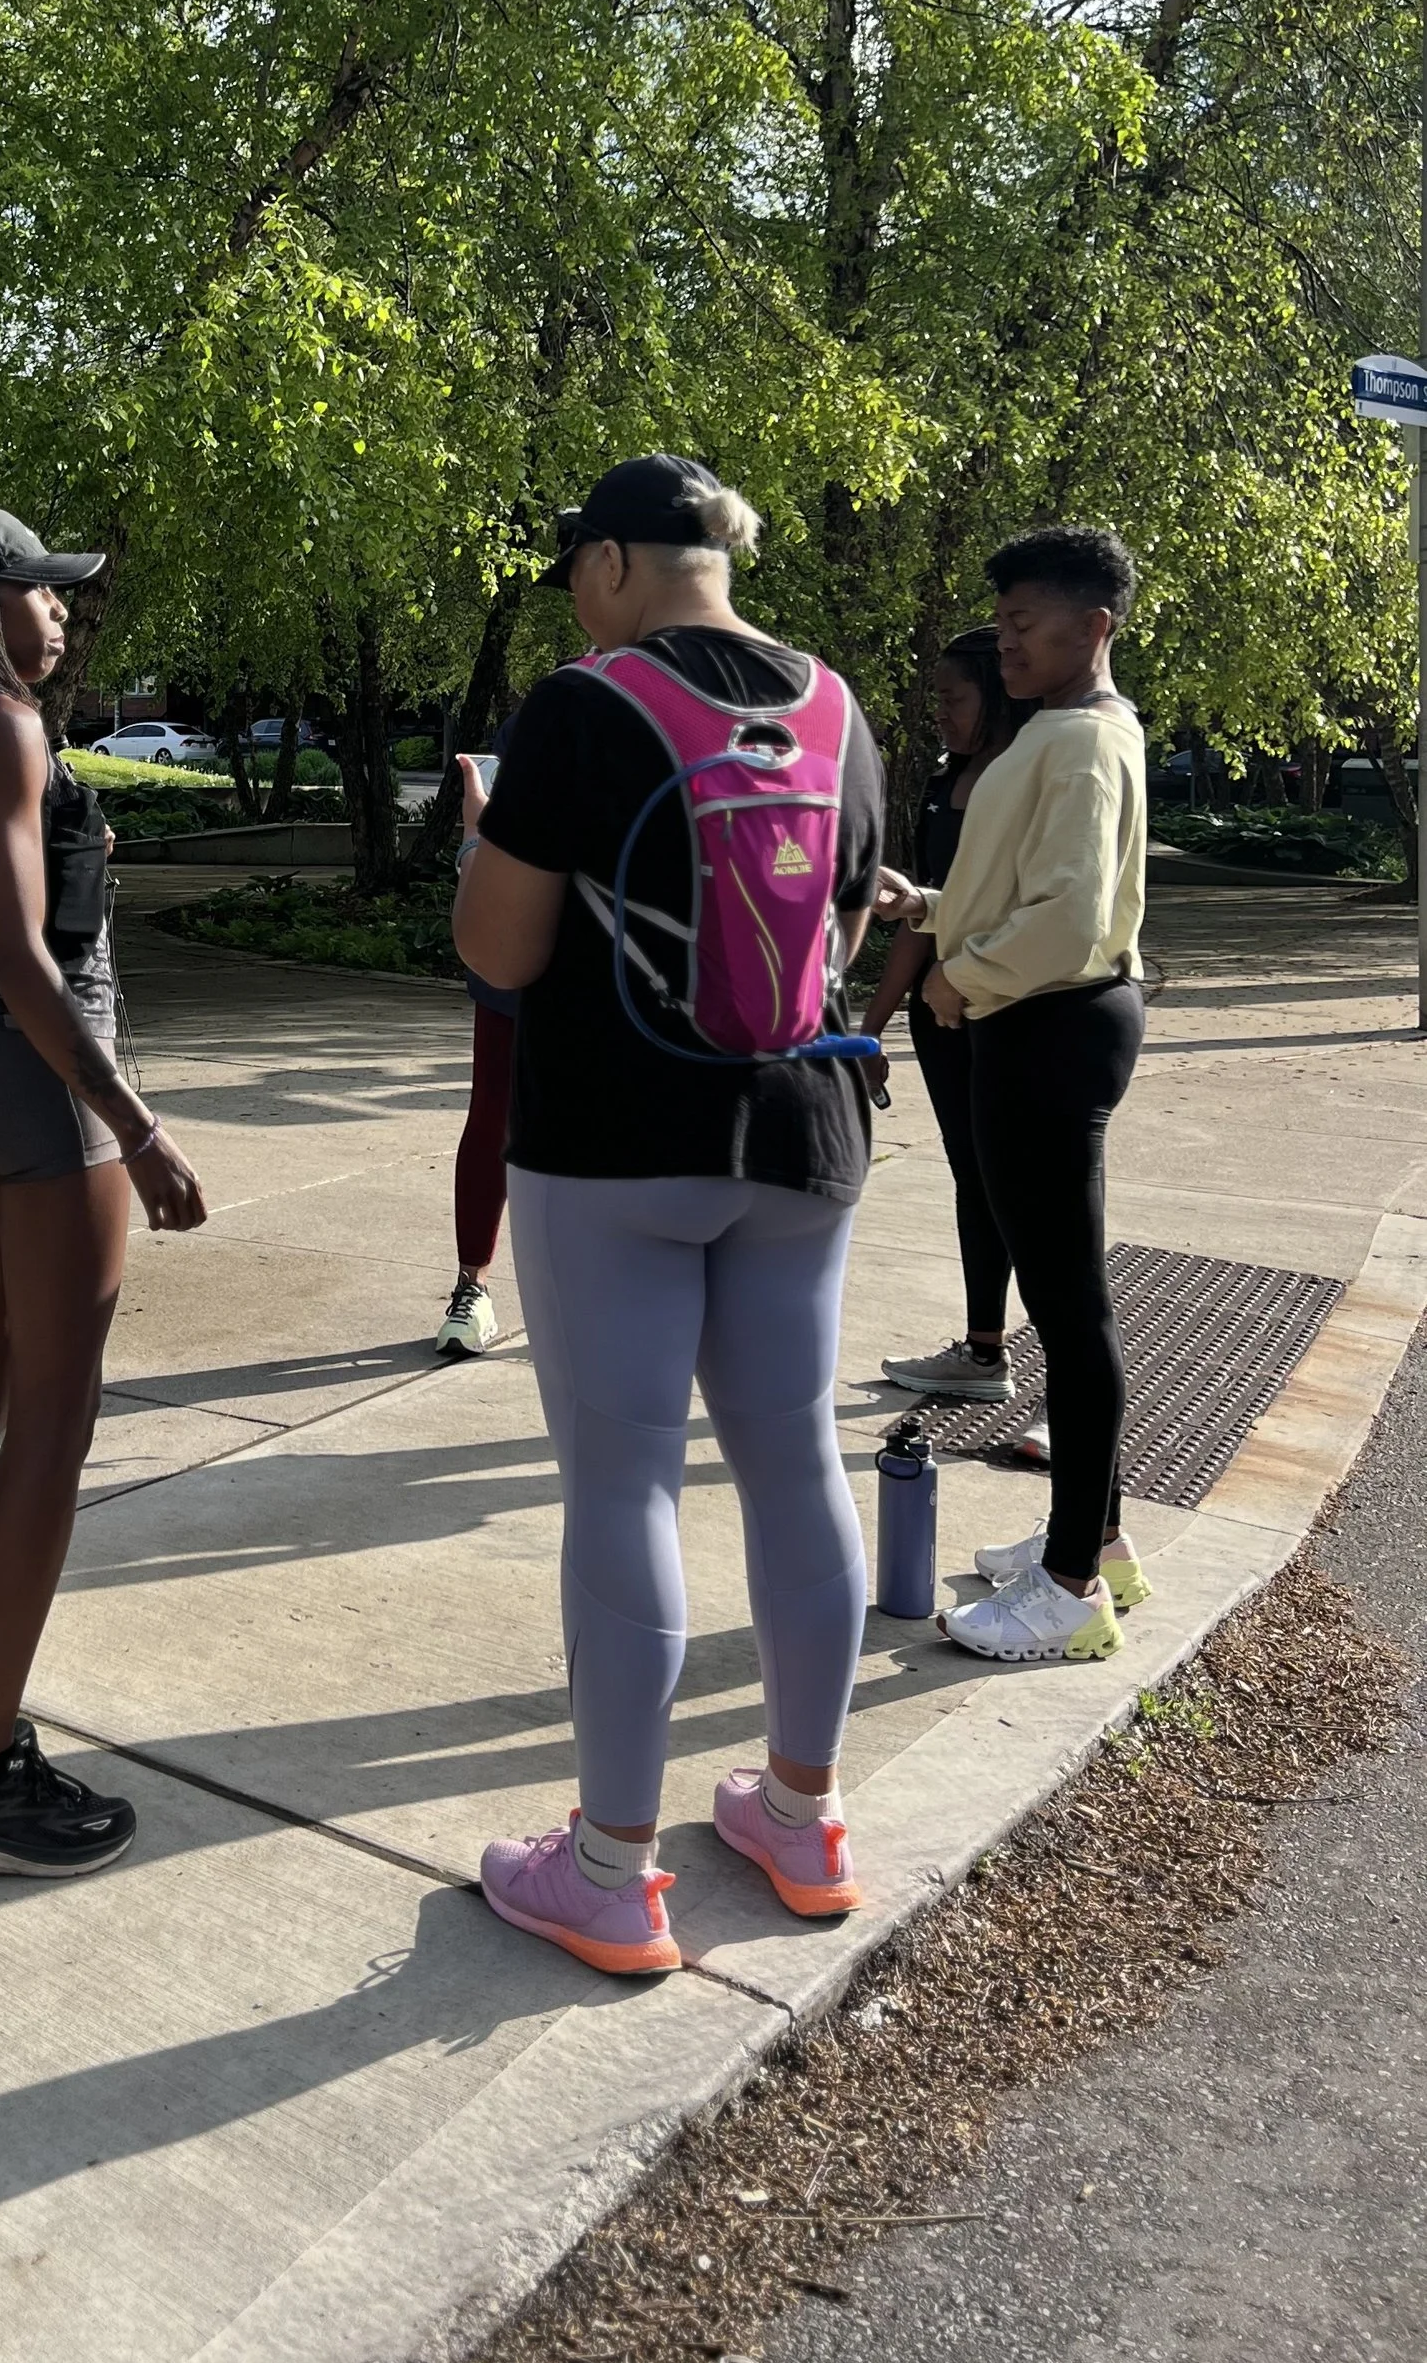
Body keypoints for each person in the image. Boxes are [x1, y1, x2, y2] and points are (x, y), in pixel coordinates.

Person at [454, 455, 885, 1977]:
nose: (575, 587)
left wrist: (482, 845)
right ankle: (803, 1815)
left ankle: (613, 1870)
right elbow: (834, 929)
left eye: (581, 560)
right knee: (795, 1454)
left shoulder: (584, 706)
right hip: (802, 1130)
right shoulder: (840, 707)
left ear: (627, 563)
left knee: (625, 1482)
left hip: (614, 1145)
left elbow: (498, 954)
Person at [0, 503, 207, 1877]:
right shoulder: (0, 729)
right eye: (43, 592)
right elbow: (22, 952)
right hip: (39, 1078)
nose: (64, 614)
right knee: (52, 1427)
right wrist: (132, 1125)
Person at [875, 524, 1150, 1664]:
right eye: (999, 627)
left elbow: (1068, 923)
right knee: (1063, 1298)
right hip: (1039, 1021)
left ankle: (1071, 1588)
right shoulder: (1063, 733)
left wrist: (955, 977)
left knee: (1070, 1313)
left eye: (1024, 626)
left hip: (1044, 1027)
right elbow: (1018, 892)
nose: (1006, 645)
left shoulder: (1083, 741)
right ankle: (1098, 1539)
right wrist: (929, 908)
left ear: (1093, 627)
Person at [862, 629, 1035, 1405]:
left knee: (1022, 1187)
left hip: (1008, 1011)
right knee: (973, 1175)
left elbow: (1027, 909)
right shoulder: (942, 785)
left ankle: (1063, 1392)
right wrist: (872, 1026)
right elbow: (923, 918)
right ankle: (983, 1347)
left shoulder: (1028, 781)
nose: (939, 711)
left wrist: (964, 976)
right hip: (941, 1018)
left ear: (995, 697)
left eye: (952, 697)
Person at [437, 715, 517, 1359]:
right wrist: (475, 845)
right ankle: (472, 1286)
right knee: (493, 1114)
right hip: (515, 971)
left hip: (615, 980)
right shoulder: (550, 720)